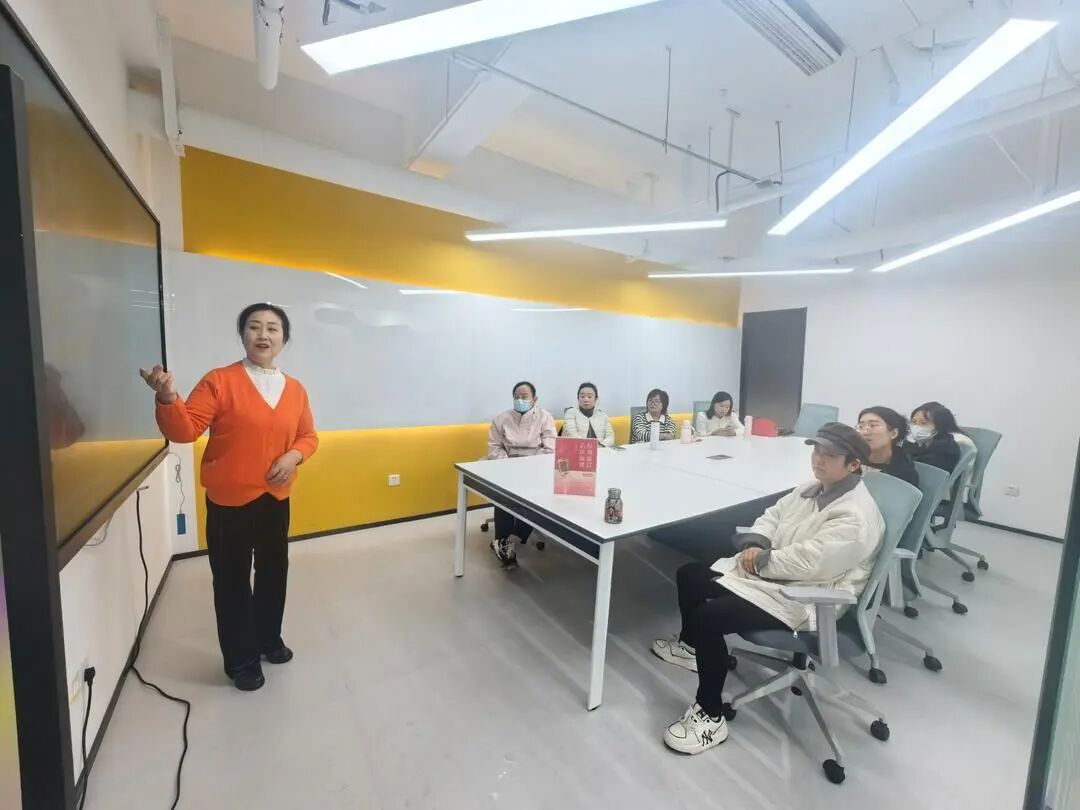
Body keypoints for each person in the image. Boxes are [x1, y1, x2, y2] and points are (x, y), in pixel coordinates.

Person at [651, 423, 884, 756]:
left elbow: (811, 563)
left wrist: (760, 561)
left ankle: (710, 715)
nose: (818, 460)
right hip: (773, 576)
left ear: (853, 464)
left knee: (707, 618)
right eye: (817, 451)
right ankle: (691, 649)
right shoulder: (813, 488)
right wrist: (756, 543)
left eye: (829, 456)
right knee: (690, 575)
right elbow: (773, 515)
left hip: (808, 598)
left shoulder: (855, 515)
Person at [139, 303, 318, 692]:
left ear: (284, 338)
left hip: (276, 497)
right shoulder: (219, 381)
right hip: (229, 501)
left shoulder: (296, 389)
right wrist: (168, 398)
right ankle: (241, 660)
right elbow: (186, 430)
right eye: (254, 326)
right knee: (232, 580)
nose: (263, 334)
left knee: (273, 572)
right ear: (242, 335)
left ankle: (268, 639)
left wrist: (293, 456)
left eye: (272, 328)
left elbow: (308, 436)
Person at [487, 381, 556, 568]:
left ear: (535, 399)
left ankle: (514, 537)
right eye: (516, 396)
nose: (520, 400)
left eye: (524, 396)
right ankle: (502, 541)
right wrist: (509, 465)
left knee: (536, 498)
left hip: (536, 468)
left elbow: (550, 448)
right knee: (503, 494)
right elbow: (494, 448)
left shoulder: (545, 418)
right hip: (507, 466)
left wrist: (528, 467)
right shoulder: (501, 419)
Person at [857, 406, 918, 486]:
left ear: (893, 433)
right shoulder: (848, 461)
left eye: (873, 425)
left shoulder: (904, 473)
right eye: (861, 426)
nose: (864, 432)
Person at [906, 402, 963, 473]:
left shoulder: (946, 451)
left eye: (923, 423)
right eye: (914, 422)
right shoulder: (920, 444)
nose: (916, 427)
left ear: (940, 425)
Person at [562, 382, 616, 447]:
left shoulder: (603, 415)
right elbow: (571, 435)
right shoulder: (570, 413)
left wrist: (601, 445)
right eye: (582, 396)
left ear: (596, 399)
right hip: (577, 449)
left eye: (589, 397)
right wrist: (589, 447)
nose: (586, 400)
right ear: (578, 398)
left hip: (600, 449)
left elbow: (610, 437)